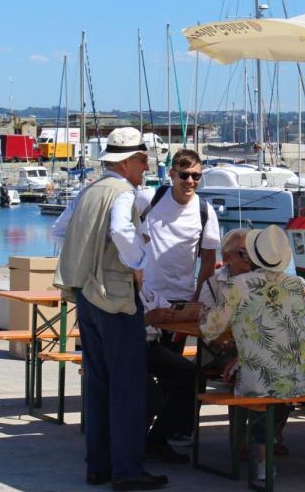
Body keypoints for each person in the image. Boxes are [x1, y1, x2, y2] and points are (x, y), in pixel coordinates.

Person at [52, 127, 167, 491]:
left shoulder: (89, 191)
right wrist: (138, 262)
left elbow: (59, 231)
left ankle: (98, 465)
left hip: (86, 293)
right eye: (143, 159)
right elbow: (121, 230)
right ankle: (127, 470)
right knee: (128, 384)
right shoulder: (123, 193)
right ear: (128, 162)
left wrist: (90, 255)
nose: (147, 165)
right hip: (115, 297)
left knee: (99, 382)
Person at [200, 225, 305, 481]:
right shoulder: (297, 284)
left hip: (259, 375)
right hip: (301, 374)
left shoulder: (239, 285)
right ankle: (266, 450)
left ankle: (261, 461)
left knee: (256, 381)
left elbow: (210, 330)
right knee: (266, 380)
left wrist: (201, 315)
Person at [137, 148, 220, 462]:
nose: (190, 181)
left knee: (173, 370)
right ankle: (152, 435)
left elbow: (209, 256)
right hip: (146, 300)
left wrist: (200, 295)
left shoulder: (204, 211)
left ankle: (171, 434)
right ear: (171, 174)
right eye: (184, 175)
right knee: (155, 368)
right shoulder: (150, 199)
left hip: (181, 303)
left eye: (196, 176)